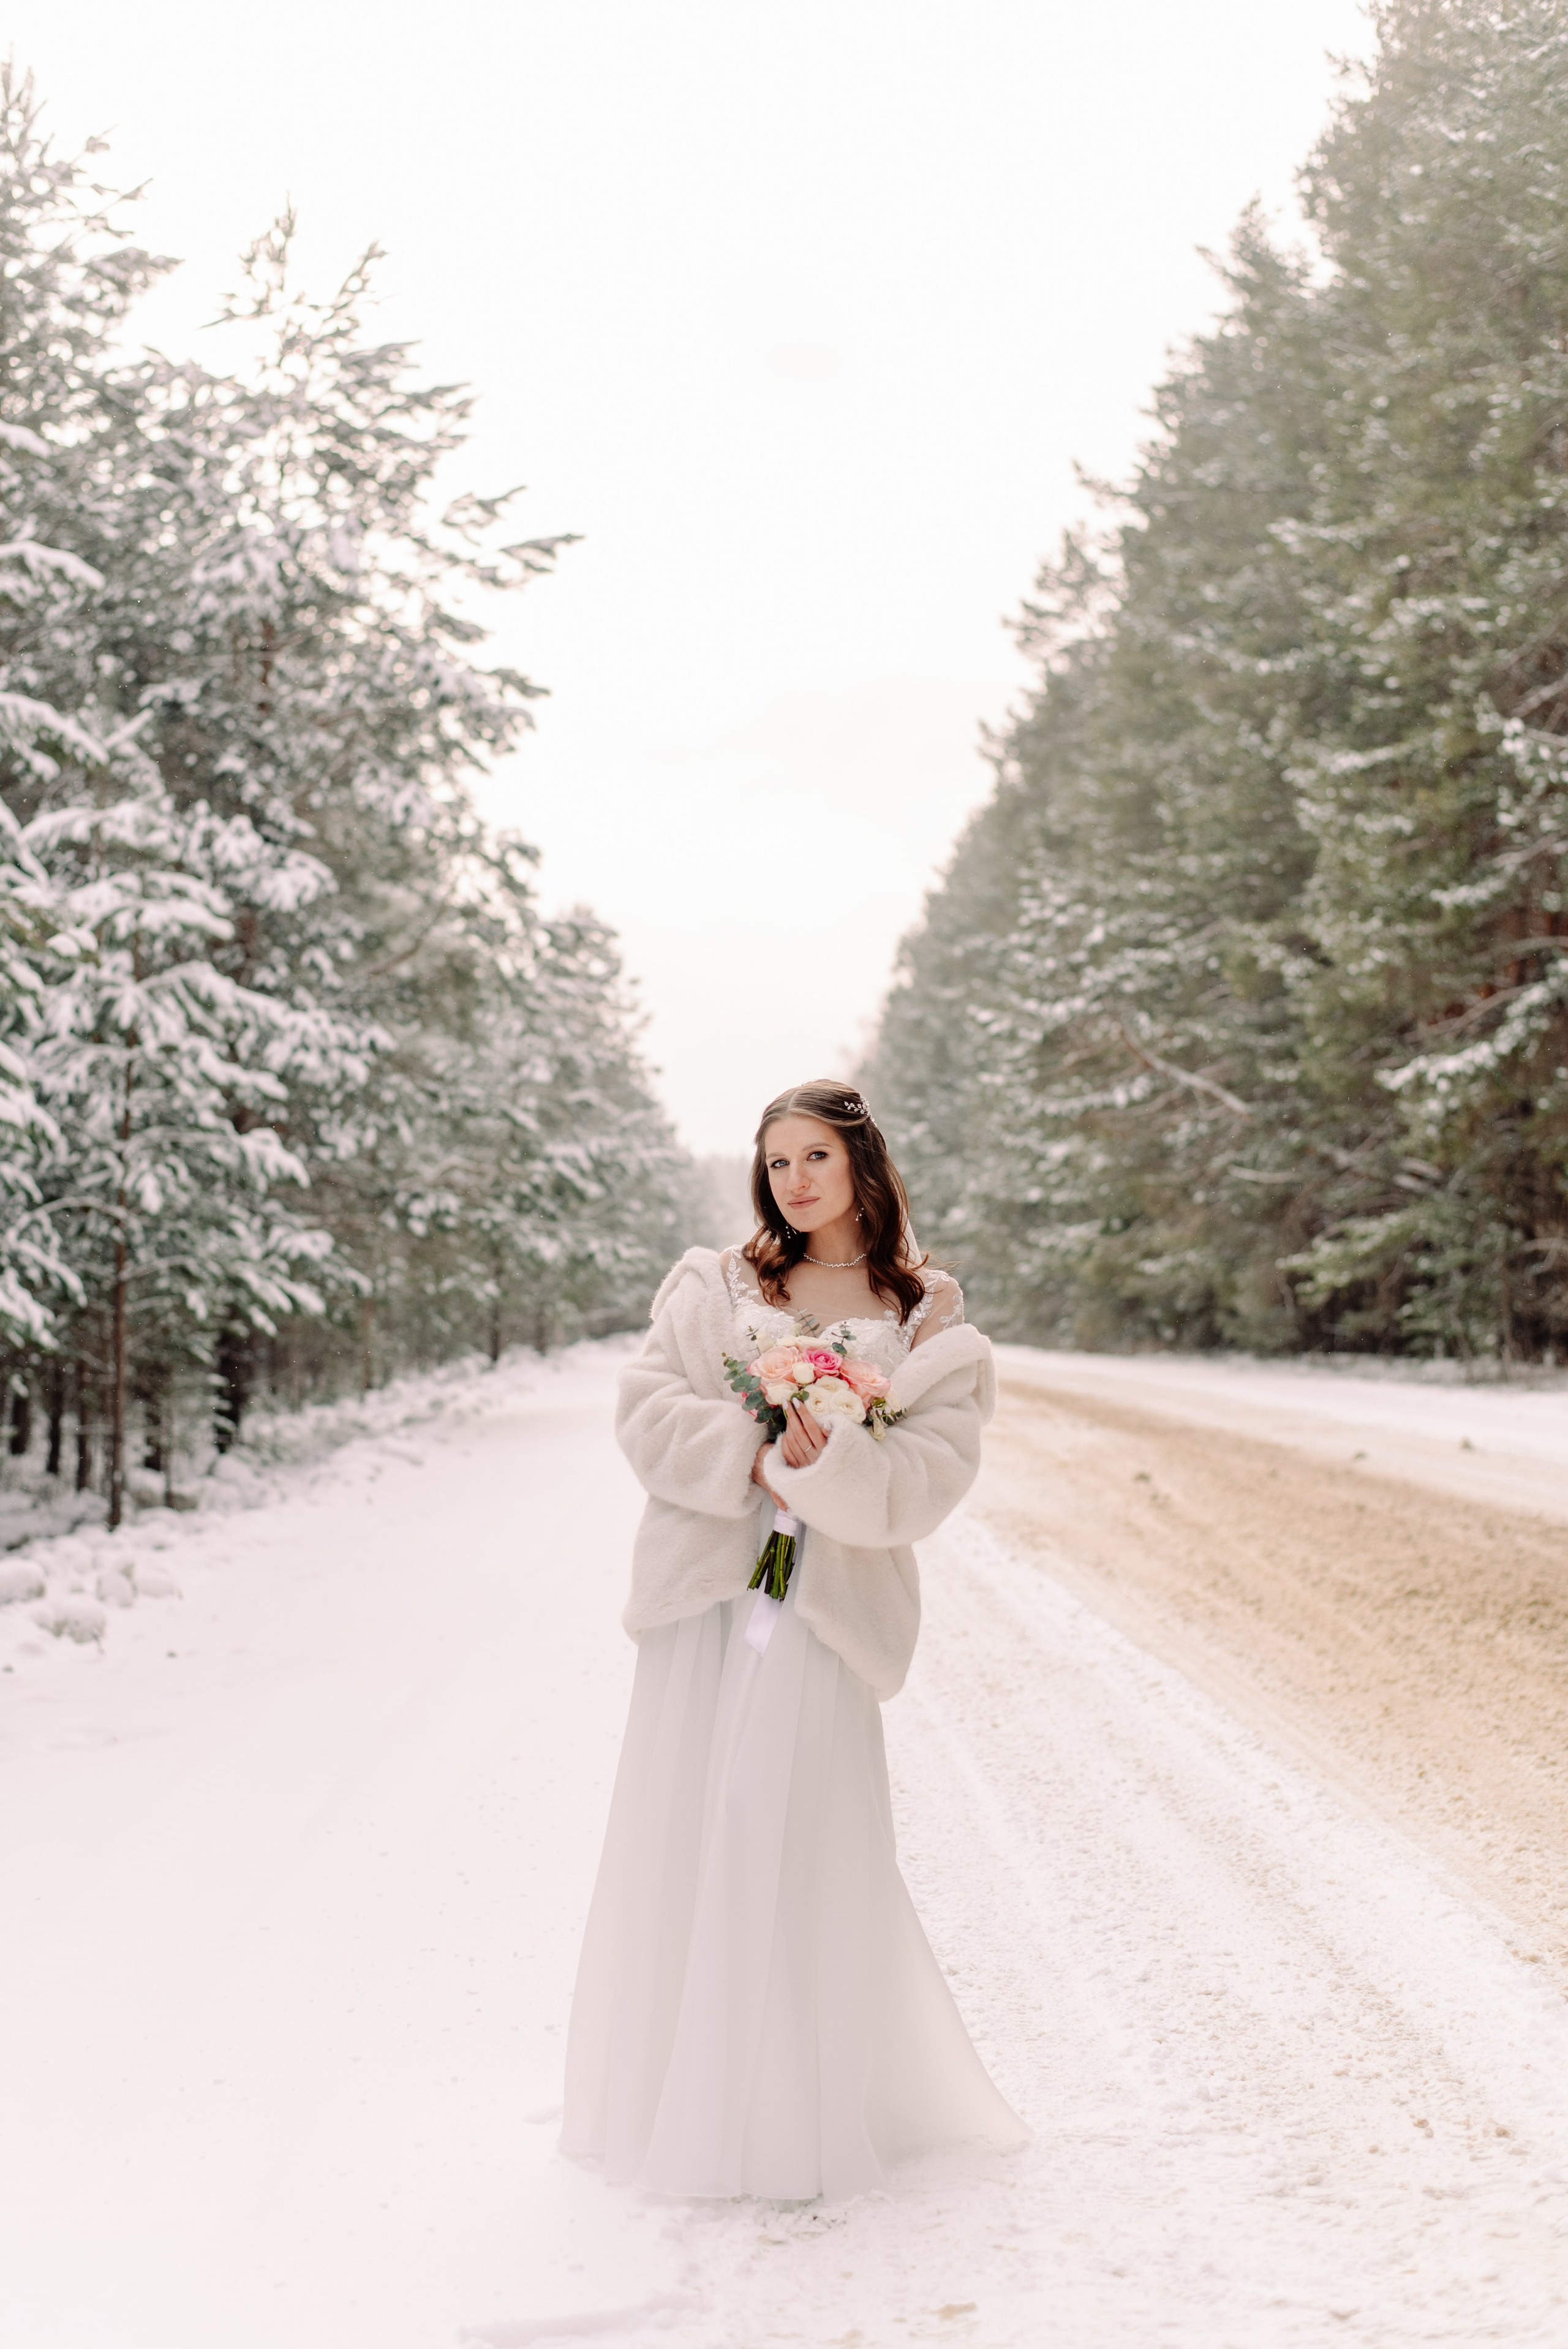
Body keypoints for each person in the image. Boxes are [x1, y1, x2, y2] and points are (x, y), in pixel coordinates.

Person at [560, 1079, 1025, 2201]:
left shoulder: (928, 1321)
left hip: (825, 1612)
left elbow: (927, 1481)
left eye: (815, 1156)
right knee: (698, 1820)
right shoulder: (716, 1284)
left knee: (800, 1829)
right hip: (714, 1597)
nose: (796, 1181)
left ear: (863, 1162)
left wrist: (833, 1467)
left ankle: (797, 2103)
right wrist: (755, 1455)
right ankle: (685, 2097)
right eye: (776, 1163)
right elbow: (646, 1408)